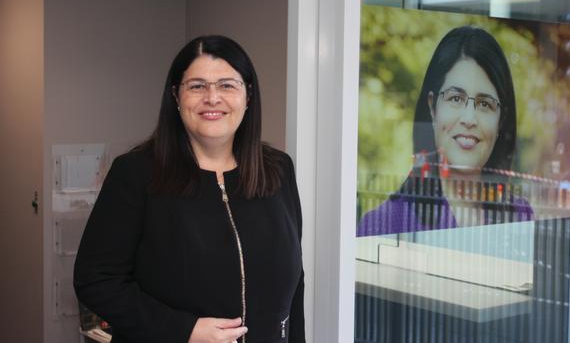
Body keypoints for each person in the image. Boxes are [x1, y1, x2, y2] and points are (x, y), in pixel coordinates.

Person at [74, 35, 305, 343]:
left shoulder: (278, 170)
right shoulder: (137, 173)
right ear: (176, 96)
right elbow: (96, 280)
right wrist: (183, 330)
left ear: (248, 96)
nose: (212, 98)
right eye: (197, 86)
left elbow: (294, 285)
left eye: (227, 85)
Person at [357, 26, 532, 237]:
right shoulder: (384, 224)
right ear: (432, 108)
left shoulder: (520, 218)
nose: (469, 119)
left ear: (501, 119)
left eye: (484, 104)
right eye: (456, 99)